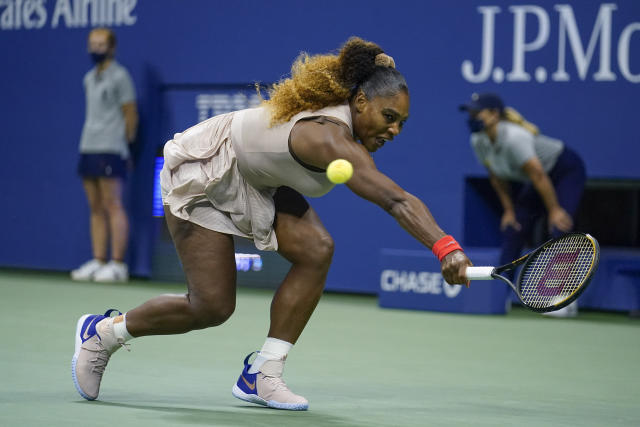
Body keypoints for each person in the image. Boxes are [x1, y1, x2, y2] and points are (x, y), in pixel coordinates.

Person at [71, 37, 472, 411]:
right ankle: (103, 334)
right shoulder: (328, 140)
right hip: (206, 169)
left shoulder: (344, 132)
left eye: (402, 122)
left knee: (317, 249)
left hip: (258, 178)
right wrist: (445, 247)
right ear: (362, 101)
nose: (395, 130)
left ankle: (263, 372)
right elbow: (395, 198)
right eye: (389, 117)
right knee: (210, 307)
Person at [459, 93, 586, 317]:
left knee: (560, 227)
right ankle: (498, 296)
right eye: (470, 114)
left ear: (494, 115)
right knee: (514, 226)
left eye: (477, 113)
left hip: (564, 170)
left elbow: (538, 175)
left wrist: (554, 210)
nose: (472, 118)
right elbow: (496, 177)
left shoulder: (514, 138)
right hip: (537, 178)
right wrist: (508, 211)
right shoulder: (478, 140)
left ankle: (563, 299)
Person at [71, 27, 138, 283]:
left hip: (112, 148)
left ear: (112, 48)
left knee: (113, 205)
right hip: (88, 145)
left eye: (101, 45)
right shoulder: (89, 78)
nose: (96, 49)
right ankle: (99, 260)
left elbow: (130, 113)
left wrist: (127, 147)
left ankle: (117, 264)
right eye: (92, 44)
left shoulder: (121, 76)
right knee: (95, 207)